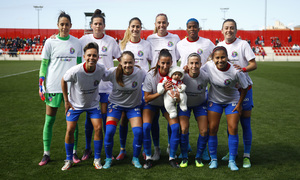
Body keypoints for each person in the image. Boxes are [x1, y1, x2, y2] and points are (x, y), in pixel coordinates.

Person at [38, 11, 82, 166]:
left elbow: (78, 66)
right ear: (58, 26)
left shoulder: (76, 43)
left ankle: (74, 152)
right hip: (52, 87)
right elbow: (44, 64)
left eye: (67, 24)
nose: (64, 27)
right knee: (49, 120)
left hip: (71, 89)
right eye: (61, 24)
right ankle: (46, 153)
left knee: (72, 123)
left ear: (71, 26)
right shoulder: (50, 42)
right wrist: (40, 83)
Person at [79, 9, 121, 161]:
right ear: (91, 25)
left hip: (106, 88)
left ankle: (105, 150)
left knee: (104, 119)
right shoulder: (83, 40)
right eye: (95, 24)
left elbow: (120, 58)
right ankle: (88, 148)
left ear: (104, 25)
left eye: (100, 24)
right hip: (89, 88)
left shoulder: (110, 41)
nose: (98, 26)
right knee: (89, 120)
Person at [217, 19, 257, 168]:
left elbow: (254, 64)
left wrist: (243, 69)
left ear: (236, 30)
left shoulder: (243, 44)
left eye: (232, 28)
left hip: (244, 88)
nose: (229, 30)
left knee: (245, 123)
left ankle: (247, 155)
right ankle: (232, 152)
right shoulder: (218, 47)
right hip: (229, 91)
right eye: (226, 28)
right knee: (231, 124)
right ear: (222, 30)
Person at [61, 42, 106, 171]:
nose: (92, 58)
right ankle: (68, 159)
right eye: (89, 55)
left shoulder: (101, 69)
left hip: (92, 105)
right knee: (70, 129)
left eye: (94, 55)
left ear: (98, 57)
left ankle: (97, 159)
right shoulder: (76, 70)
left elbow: (110, 75)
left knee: (98, 128)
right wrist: (66, 101)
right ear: (84, 56)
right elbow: (63, 80)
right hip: (75, 105)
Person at [203, 46, 249, 171]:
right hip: (215, 101)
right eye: (217, 58)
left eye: (223, 57)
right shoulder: (208, 66)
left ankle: (232, 161)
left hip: (232, 101)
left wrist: (239, 104)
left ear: (227, 57)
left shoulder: (236, 71)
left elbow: (245, 87)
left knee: (233, 128)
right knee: (212, 128)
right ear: (213, 58)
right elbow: (197, 73)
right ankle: (213, 159)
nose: (220, 60)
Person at [116, 17, 152, 160]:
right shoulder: (122, 45)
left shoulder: (147, 44)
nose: (135, 29)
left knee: (143, 119)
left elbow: (151, 63)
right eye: (133, 26)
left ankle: (143, 149)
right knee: (124, 119)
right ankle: (122, 149)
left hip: (143, 87)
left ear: (140, 28)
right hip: (127, 88)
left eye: (138, 26)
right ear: (129, 28)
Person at [102, 51, 145, 169]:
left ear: (134, 62)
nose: (127, 65)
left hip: (133, 107)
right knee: (109, 131)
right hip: (115, 105)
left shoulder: (140, 73)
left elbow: (153, 77)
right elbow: (99, 74)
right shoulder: (113, 72)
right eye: (125, 62)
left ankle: (135, 158)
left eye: (130, 63)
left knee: (138, 132)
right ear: (120, 62)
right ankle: (108, 158)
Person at [147, 13, 180, 160]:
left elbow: (176, 57)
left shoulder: (175, 38)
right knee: (151, 122)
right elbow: (149, 59)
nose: (161, 25)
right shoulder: (149, 39)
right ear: (155, 24)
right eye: (159, 23)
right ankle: (156, 149)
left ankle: (170, 147)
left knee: (172, 119)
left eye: (164, 22)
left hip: (170, 83)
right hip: (155, 84)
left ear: (168, 23)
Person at [142, 49, 181, 169]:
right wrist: (162, 90)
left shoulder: (175, 74)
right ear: (158, 62)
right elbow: (147, 98)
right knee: (146, 126)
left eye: (168, 63)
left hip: (166, 104)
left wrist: (177, 96)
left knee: (175, 127)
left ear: (172, 63)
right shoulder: (151, 75)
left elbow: (180, 90)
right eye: (163, 63)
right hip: (152, 102)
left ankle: (172, 157)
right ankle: (150, 155)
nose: (165, 66)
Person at [177, 53, 209, 168]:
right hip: (185, 104)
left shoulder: (205, 76)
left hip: (200, 105)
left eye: (196, 63)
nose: (194, 66)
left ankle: (198, 157)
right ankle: (184, 156)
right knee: (184, 128)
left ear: (201, 64)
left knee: (204, 131)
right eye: (191, 63)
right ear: (187, 65)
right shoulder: (182, 76)